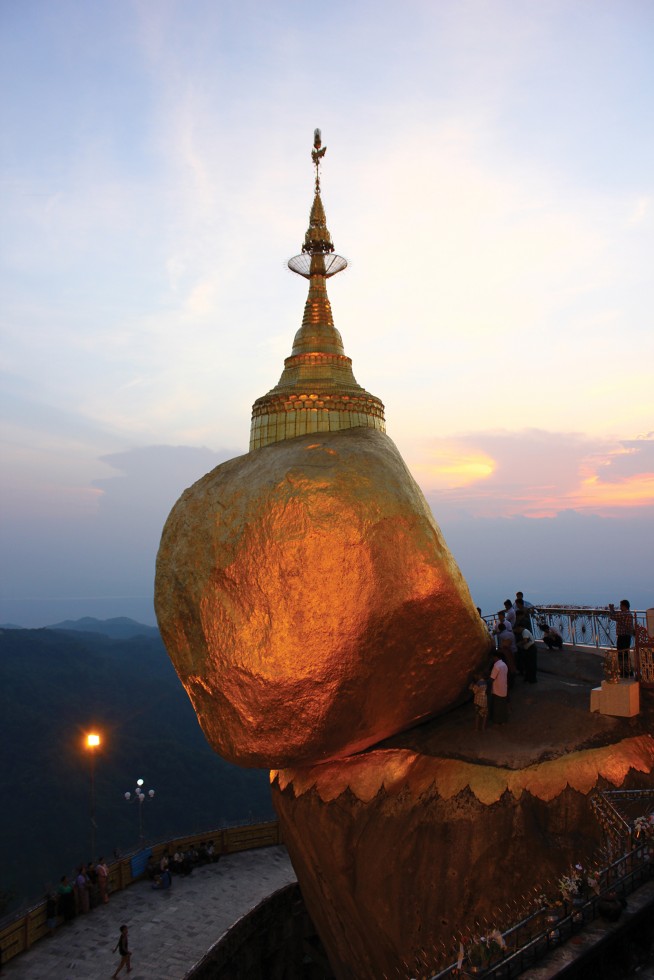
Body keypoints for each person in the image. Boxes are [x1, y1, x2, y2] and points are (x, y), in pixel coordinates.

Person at [609, 599, 635, 678]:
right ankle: (628, 671)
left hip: (622, 637)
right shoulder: (629, 614)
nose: (620, 607)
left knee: (621, 653)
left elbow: (613, 616)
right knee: (626, 653)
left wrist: (611, 609)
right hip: (627, 636)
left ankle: (623, 672)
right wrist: (613, 610)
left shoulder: (623, 614)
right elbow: (617, 616)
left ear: (624, 606)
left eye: (621, 606)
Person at [490, 652, 509, 725]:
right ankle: (504, 720)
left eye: (493, 657)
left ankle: (498, 720)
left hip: (497, 689)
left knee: (497, 706)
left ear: (496, 657)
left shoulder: (496, 666)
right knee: (503, 706)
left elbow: (492, 678)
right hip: (503, 688)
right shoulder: (504, 664)